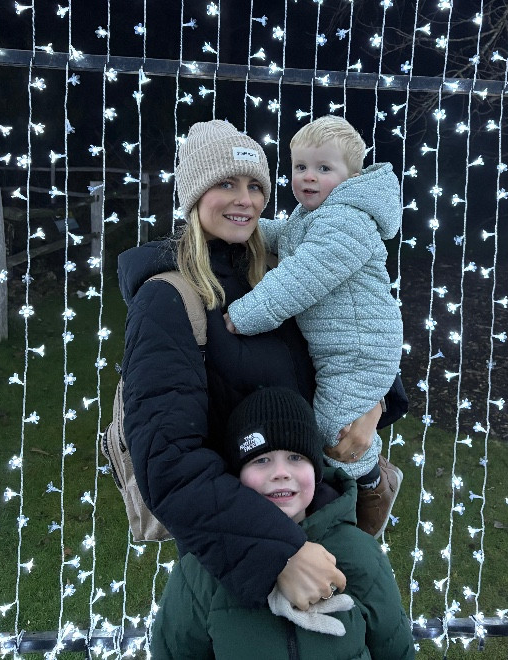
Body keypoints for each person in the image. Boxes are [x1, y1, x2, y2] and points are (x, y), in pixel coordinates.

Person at [117, 119, 402, 614]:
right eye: (226, 183)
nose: (244, 200)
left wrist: (372, 411)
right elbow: (168, 462)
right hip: (242, 569)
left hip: (324, 538)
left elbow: (353, 338)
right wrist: (280, 554)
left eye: (255, 186)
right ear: (193, 194)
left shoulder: (276, 272)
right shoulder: (168, 299)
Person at [224, 115, 404, 537]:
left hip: (360, 349)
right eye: (301, 166)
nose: (308, 177)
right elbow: (282, 236)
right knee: (329, 427)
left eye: (324, 168)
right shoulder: (313, 217)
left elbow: (301, 278)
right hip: (341, 344)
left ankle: (371, 490)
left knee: (335, 431)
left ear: (351, 178)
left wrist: (244, 315)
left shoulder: (347, 221)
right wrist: (244, 226)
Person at [150, 386, 415, 659]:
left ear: (316, 469)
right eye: (261, 459)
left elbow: (395, 649)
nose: (280, 473)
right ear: (237, 477)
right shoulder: (202, 570)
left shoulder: (360, 553)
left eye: (295, 457)